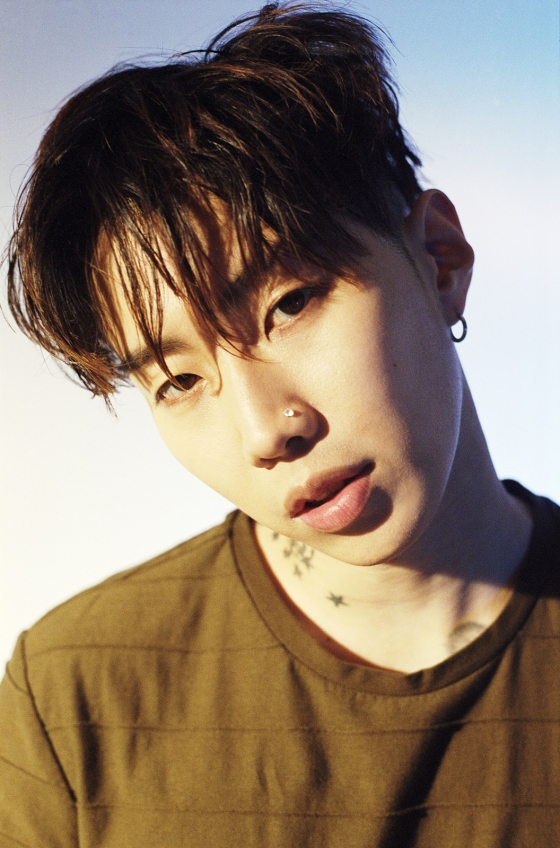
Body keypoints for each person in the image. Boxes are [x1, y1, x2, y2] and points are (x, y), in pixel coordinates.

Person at [1, 2, 558, 846]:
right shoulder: (76, 698)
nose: (265, 430)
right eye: (180, 380)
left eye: (288, 305)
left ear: (439, 261)